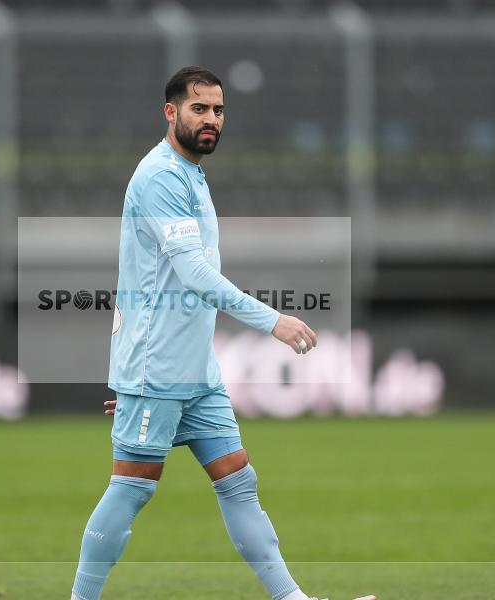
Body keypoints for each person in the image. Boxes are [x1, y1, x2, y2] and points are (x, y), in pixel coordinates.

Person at [70, 66, 375, 600]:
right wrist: (272, 320)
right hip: (158, 365)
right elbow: (192, 274)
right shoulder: (160, 176)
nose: (211, 119)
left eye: (218, 110)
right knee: (133, 488)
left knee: (238, 480)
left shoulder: (190, 173)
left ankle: (291, 599)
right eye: (199, 109)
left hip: (195, 371)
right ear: (171, 113)